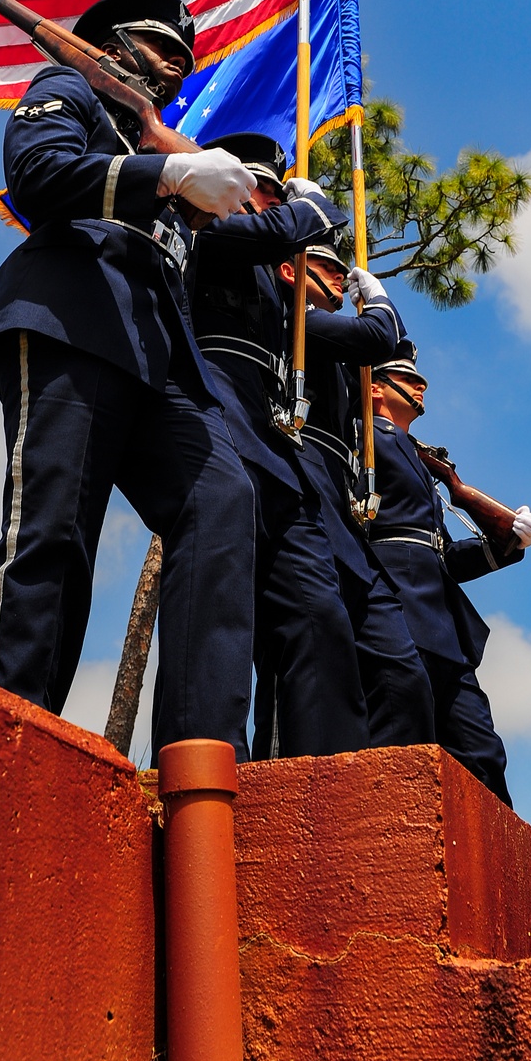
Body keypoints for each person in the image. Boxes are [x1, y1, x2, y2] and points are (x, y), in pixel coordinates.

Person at [0, 0, 262, 760]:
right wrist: (162, 178)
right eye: (163, 47)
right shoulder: (67, 90)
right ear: (112, 41)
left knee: (223, 500)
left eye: (186, 59)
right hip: (73, 316)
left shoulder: (162, 142)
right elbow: (39, 173)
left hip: (157, 356)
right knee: (56, 529)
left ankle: (201, 758)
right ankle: (12, 734)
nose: (176, 65)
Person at [189, 132, 371, 758]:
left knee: (318, 615)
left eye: (271, 192)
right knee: (223, 605)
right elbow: (285, 235)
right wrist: (310, 208)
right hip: (219, 420)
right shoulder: (208, 232)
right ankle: (213, 764)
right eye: (257, 191)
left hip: (278, 453)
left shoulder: (277, 288)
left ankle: (330, 776)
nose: (263, 204)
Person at [263, 246, 436, 753]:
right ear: (290, 269)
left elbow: (377, 352)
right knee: (309, 648)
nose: (341, 276)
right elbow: (379, 336)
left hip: (342, 516)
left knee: (402, 674)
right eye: (329, 267)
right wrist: (380, 303)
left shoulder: (345, 357)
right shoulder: (295, 318)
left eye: (345, 269)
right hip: (300, 490)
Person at [368, 341, 531, 805]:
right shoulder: (362, 441)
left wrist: (505, 544)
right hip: (391, 610)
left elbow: (438, 552)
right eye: (406, 380)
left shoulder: (422, 462)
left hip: (443, 626)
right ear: (373, 390)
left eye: (420, 380)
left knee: (483, 753)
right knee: (403, 744)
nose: (420, 385)